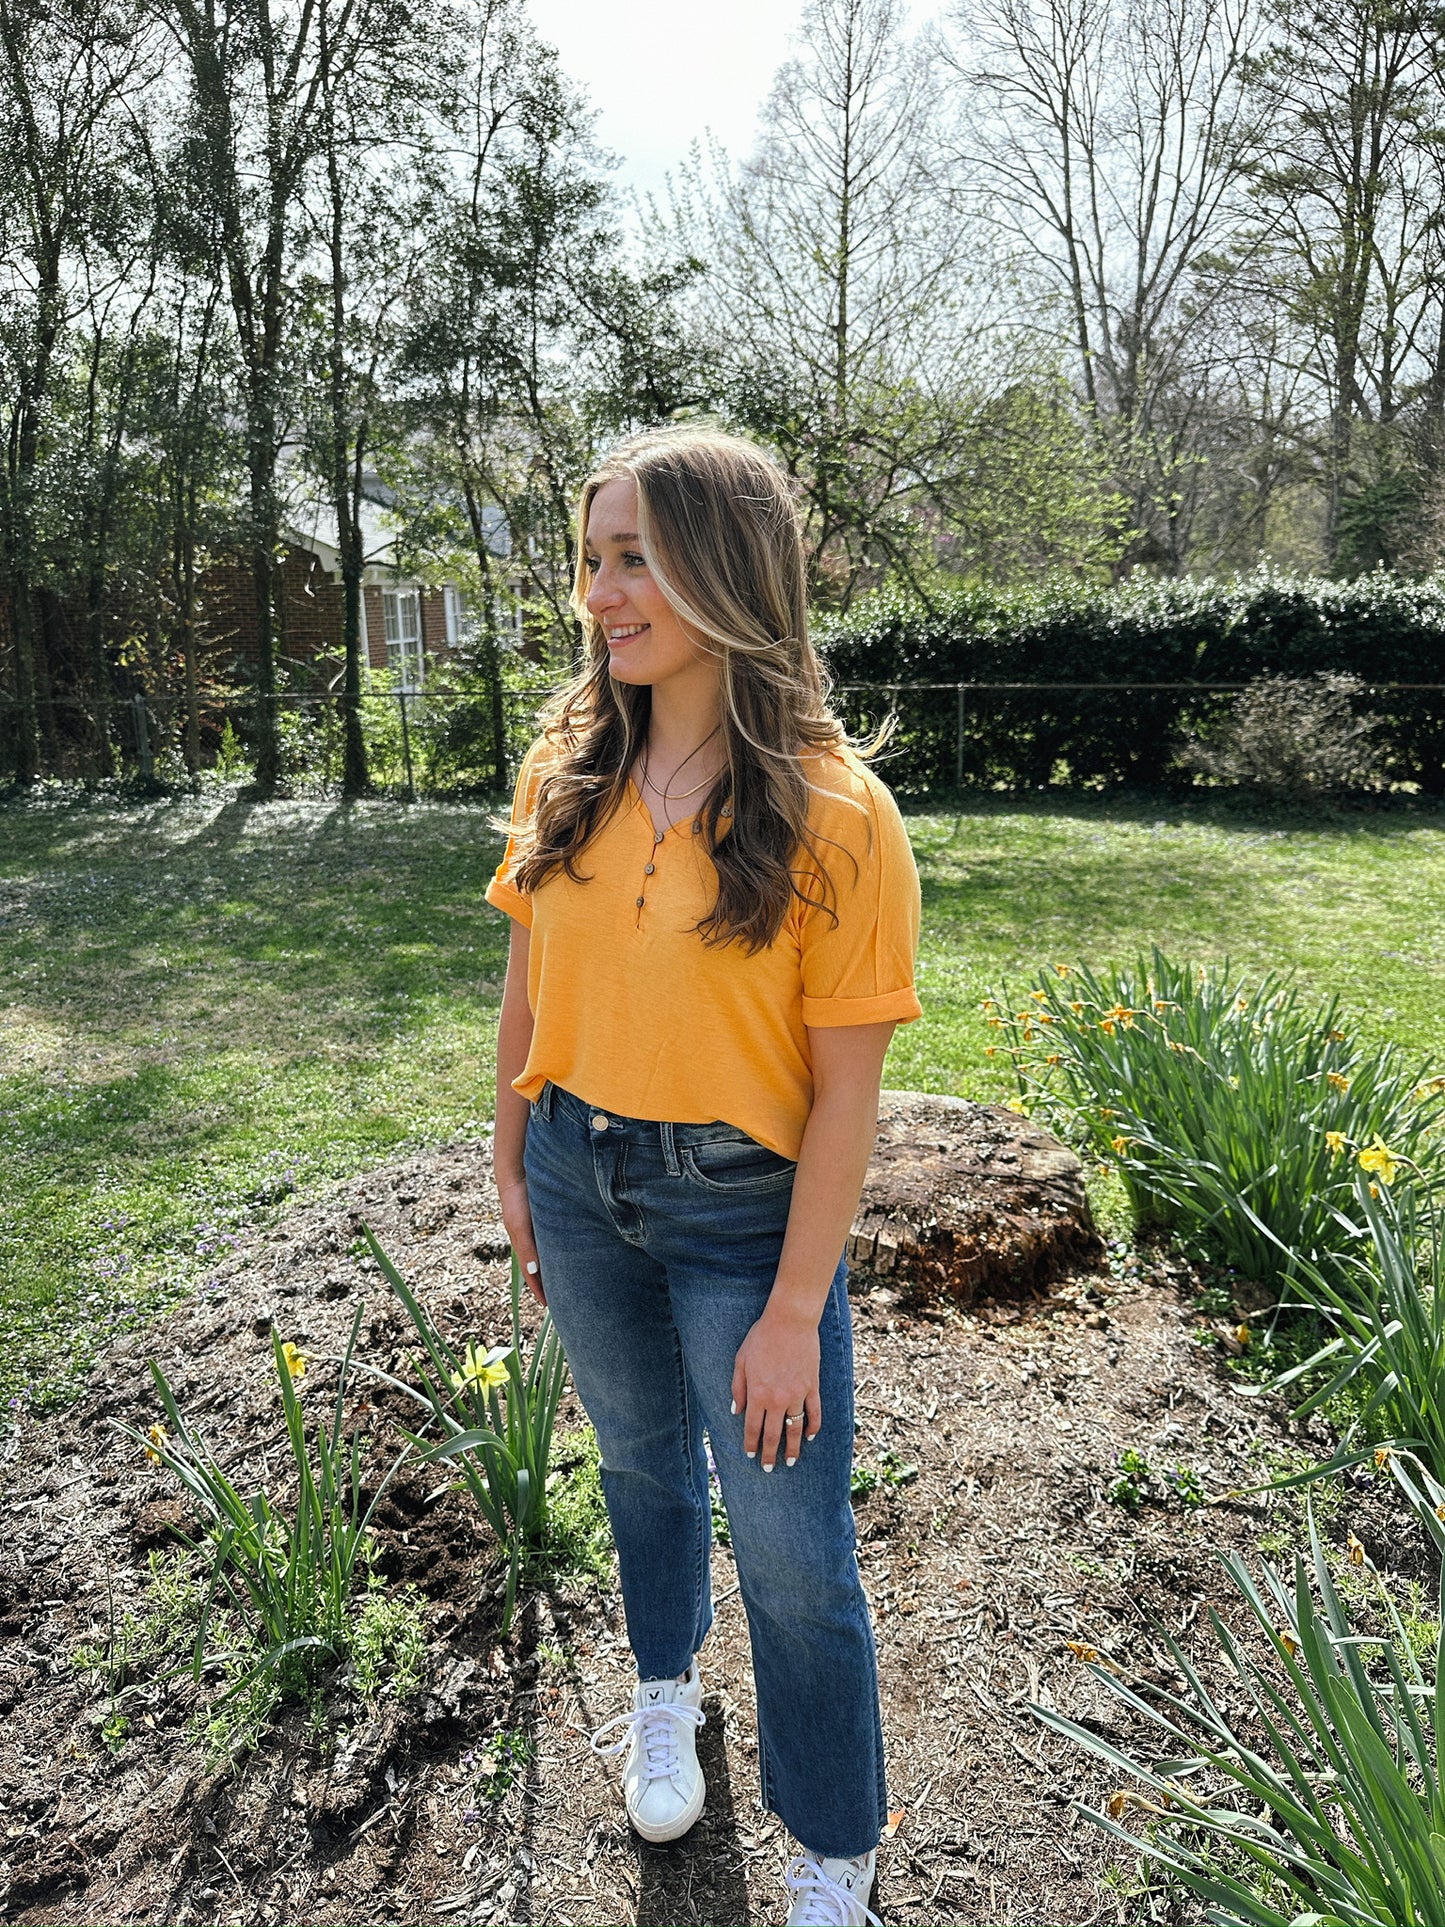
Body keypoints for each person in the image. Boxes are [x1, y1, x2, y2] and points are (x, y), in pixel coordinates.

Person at [485, 426, 922, 1927]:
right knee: (636, 1468)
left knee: (798, 1561)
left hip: (744, 1217)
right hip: (575, 1175)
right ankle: (663, 1690)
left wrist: (798, 1306)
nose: (600, 594)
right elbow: (526, 989)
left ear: (726, 575)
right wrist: (511, 1166)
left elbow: (848, 1096)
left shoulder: (836, 816)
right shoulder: (571, 765)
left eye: (632, 560)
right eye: (592, 560)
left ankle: (831, 1851)